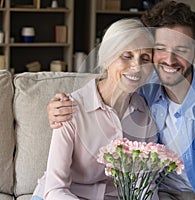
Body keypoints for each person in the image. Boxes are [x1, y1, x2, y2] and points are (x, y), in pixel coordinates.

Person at [47, 1, 195, 200]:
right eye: (161, 48)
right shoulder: (143, 87)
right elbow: (110, 82)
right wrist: (59, 107)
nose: (169, 60)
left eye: (182, 50)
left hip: (190, 194)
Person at [31, 18, 158, 200]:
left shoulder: (144, 113)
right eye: (126, 56)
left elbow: (143, 185)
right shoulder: (69, 108)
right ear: (107, 60)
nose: (137, 66)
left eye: (145, 58)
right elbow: (54, 189)